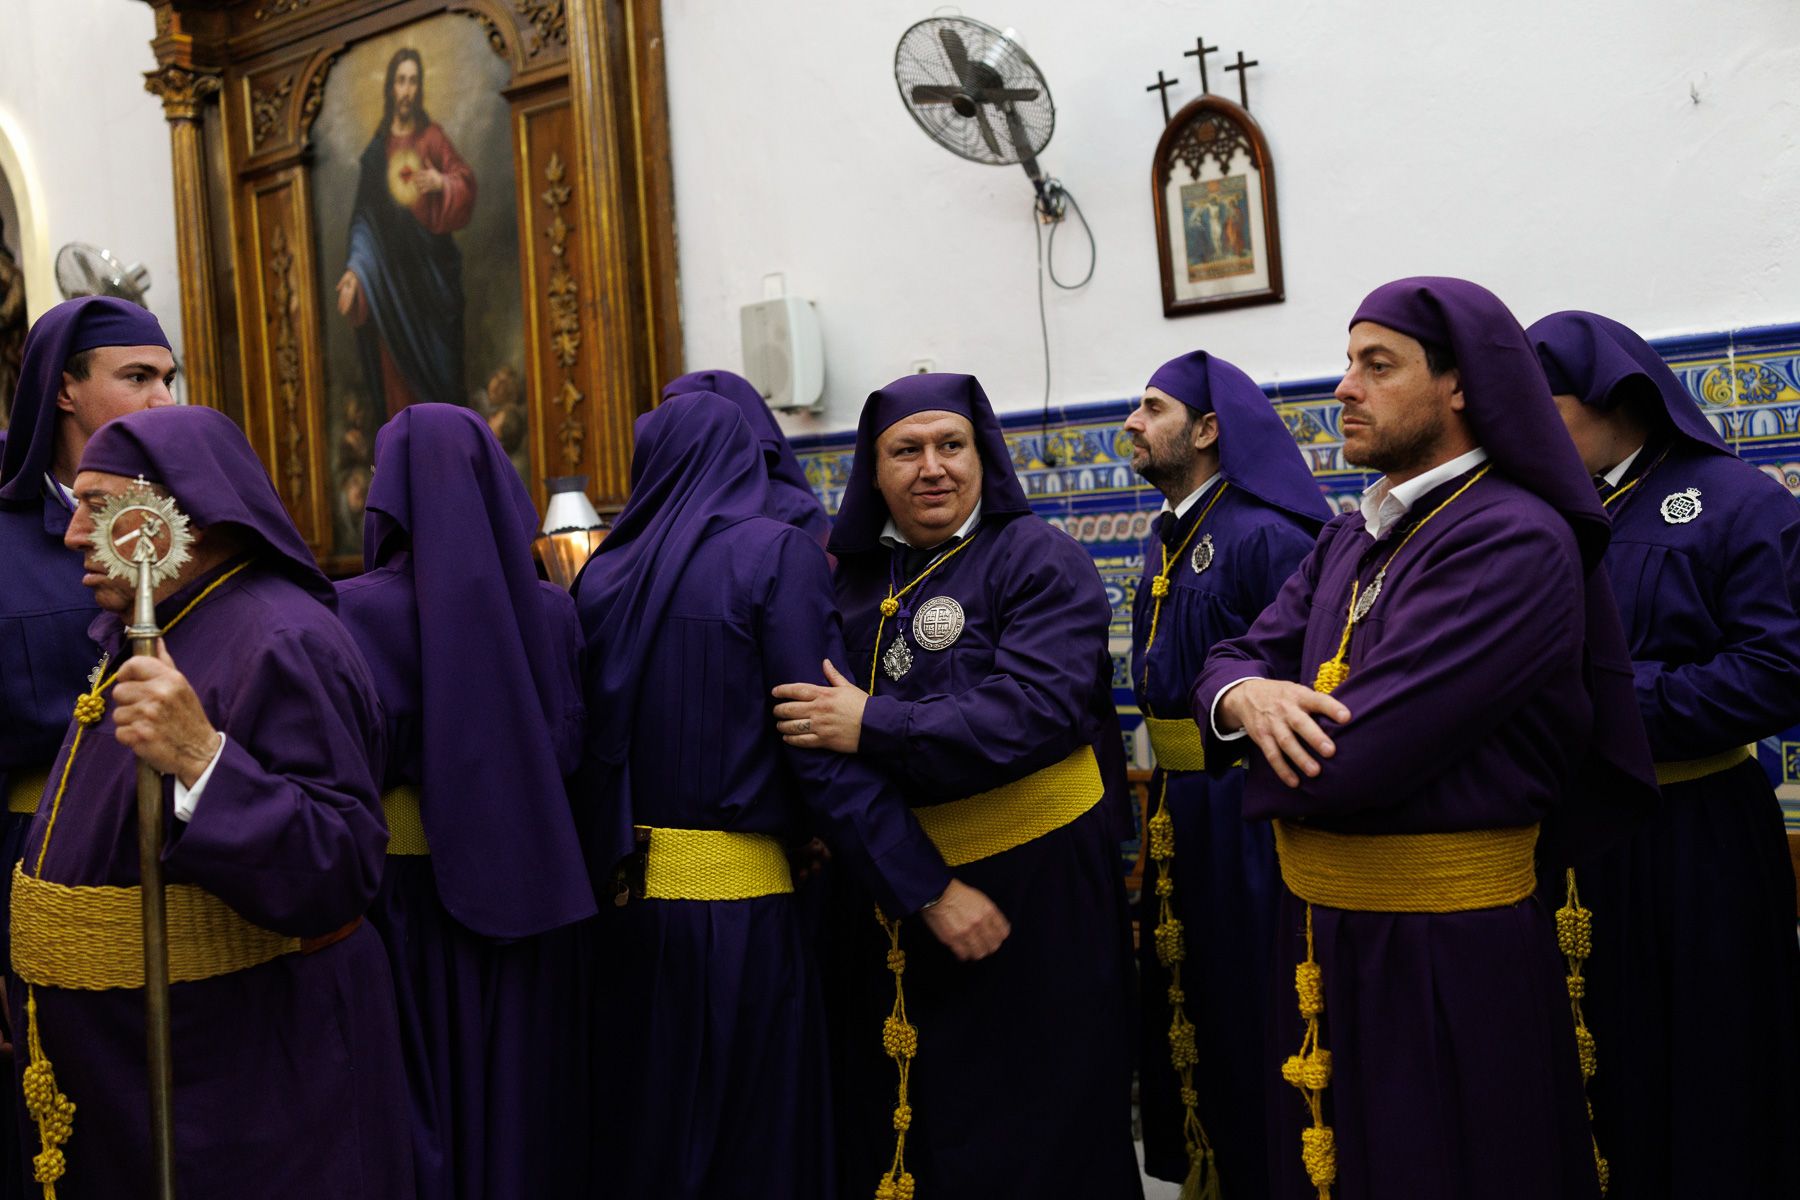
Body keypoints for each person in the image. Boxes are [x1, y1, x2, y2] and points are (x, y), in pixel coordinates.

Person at [1193, 278, 1657, 1200]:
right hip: (1320, 929)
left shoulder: (1513, 538)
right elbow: (1235, 656)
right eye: (1347, 362)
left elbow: (1358, 756)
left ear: (1460, 385)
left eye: (1378, 365)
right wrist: (1246, 697)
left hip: (1443, 945)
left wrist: (1254, 723)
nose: (1344, 388)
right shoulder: (1353, 532)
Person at [574, 390, 1005, 1200]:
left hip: (622, 924)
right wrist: (927, 887)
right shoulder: (775, 553)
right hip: (736, 920)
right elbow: (820, 746)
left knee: (646, 1147)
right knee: (756, 1151)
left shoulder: (600, 575)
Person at [9, 404, 410, 1197]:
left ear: (178, 515)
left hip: (232, 1071)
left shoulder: (281, 638)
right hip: (128, 1070)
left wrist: (202, 759)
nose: (74, 535)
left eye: (98, 507)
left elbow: (339, 865)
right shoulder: (161, 625)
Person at [771, 372, 1142, 1200]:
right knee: (909, 1126)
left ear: (984, 457)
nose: (932, 467)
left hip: (1032, 897)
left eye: (952, 446)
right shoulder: (846, 581)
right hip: (891, 894)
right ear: (874, 471)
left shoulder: (1039, 559)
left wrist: (873, 724)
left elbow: (1034, 711)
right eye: (906, 451)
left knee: (1035, 1129)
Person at [1527, 309, 1800, 1200]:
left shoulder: (1739, 502)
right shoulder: (1541, 513)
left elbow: (1777, 672)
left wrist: (1603, 702)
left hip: (1694, 836)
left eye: (1544, 406)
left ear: (1617, 397)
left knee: (1703, 1060)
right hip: (1566, 839)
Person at [334, 403, 596, 1199]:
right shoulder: (552, 611)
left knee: (413, 1102)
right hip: (528, 889)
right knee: (516, 1103)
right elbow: (571, 749)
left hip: (399, 899)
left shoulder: (352, 609)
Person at [1124, 350, 1330, 1196]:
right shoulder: (1169, 531)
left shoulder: (1264, 533)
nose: (1132, 424)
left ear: (1209, 429)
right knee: (1193, 998)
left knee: (1253, 1005)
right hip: (1180, 806)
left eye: (1154, 408)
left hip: (1247, 809)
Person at [0, 297, 175, 1198]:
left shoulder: (190, 522)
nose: (162, 399)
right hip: (34, 865)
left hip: (178, 863)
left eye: (169, 379)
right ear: (64, 389)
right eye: (136, 377)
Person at [335, 47, 476, 417]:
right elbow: (364, 219)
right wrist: (355, 271)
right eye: (401, 81)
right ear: (391, 88)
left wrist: (442, 183)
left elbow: (464, 181)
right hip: (392, 288)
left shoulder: (433, 137)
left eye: (413, 81)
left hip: (432, 281)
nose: (407, 90)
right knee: (397, 379)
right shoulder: (377, 153)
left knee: (444, 378)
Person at [662, 368, 830, 545]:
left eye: (687, 418)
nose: (672, 431)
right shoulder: (671, 511)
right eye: (668, 417)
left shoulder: (796, 509)